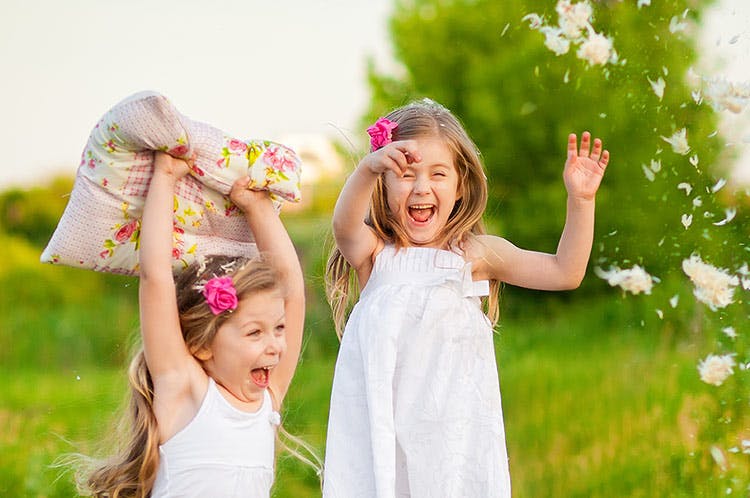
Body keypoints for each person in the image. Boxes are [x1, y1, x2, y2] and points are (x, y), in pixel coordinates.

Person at [323, 99, 610, 497]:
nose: (422, 187)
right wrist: (367, 168)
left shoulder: (474, 255)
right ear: (384, 184)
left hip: (454, 445)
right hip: (384, 438)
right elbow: (344, 225)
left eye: (438, 174)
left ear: (460, 186)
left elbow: (565, 272)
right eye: (405, 174)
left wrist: (581, 202)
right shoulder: (376, 254)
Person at [78, 152, 306, 497]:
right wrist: (166, 177)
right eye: (254, 332)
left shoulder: (268, 398)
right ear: (201, 344)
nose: (275, 345)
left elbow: (293, 293)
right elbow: (156, 279)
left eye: (278, 329)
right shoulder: (185, 390)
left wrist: (257, 207)